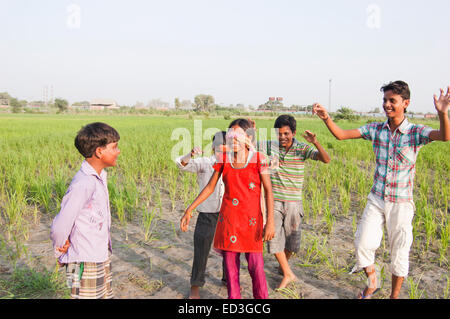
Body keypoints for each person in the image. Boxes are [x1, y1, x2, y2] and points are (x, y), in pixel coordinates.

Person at [312, 81, 449, 299]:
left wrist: (442, 113)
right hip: (377, 198)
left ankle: (394, 296)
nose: (387, 104)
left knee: (399, 252)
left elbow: (443, 136)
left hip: (401, 203)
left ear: (405, 103)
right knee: (362, 242)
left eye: (392, 101)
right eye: (385, 100)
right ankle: (372, 281)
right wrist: (326, 118)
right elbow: (341, 135)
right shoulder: (376, 129)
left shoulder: (415, 132)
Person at [181, 118, 275, 299]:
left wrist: (270, 222)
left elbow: (268, 191)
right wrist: (189, 209)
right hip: (229, 222)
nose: (232, 138)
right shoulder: (224, 160)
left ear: (248, 137)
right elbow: (209, 187)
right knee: (231, 270)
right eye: (230, 134)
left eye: (237, 134)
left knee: (256, 267)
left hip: (252, 223)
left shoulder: (259, 160)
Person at [255, 114, 330, 289]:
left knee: (293, 242)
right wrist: (252, 131)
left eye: (286, 134)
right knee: (273, 238)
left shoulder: (302, 149)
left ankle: (284, 266)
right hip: (273, 201)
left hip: (294, 202)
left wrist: (315, 142)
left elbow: (326, 159)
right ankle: (288, 274)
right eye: (279, 134)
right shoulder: (269, 146)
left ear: (293, 133)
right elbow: (248, 147)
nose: (282, 137)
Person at [50, 122, 121, 299]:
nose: (118, 151)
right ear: (99, 151)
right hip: (82, 259)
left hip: (97, 255)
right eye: (114, 147)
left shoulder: (99, 176)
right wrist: (61, 250)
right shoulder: (84, 183)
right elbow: (61, 224)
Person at [177, 131, 227, 299]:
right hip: (207, 214)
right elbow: (182, 164)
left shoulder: (233, 165)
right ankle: (195, 287)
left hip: (227, 215)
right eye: (219, 147)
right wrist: (189, 154)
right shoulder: (206, 163)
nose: (221, 151)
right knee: (201, 252)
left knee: (230, 251)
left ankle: (228, 280)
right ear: (213, 147)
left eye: (226, 148)